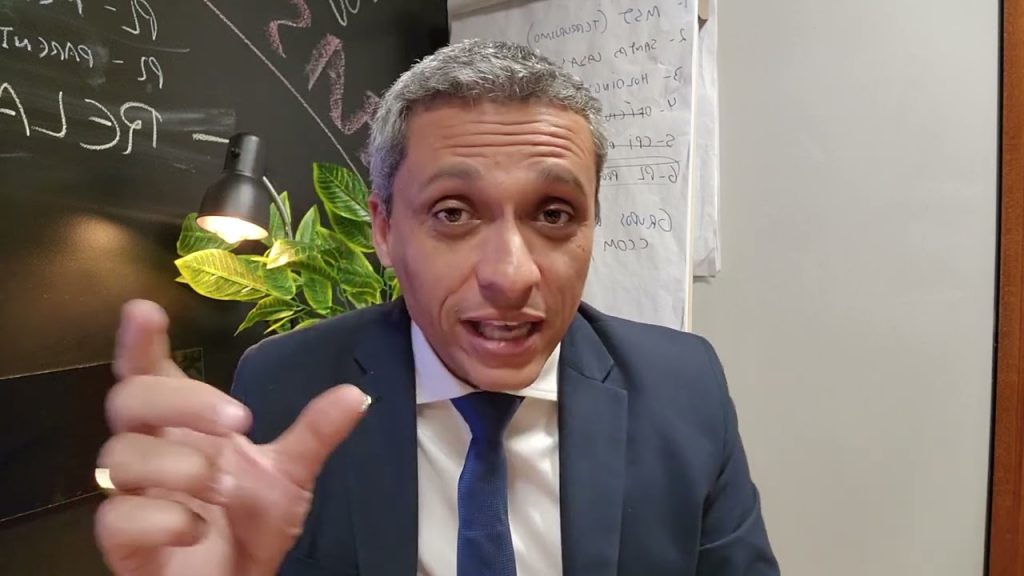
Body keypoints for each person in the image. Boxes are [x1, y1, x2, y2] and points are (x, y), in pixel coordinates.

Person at [94, 39, 779, 576]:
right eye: (453, 213)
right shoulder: (286, 386)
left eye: (554, 213)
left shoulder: (683, 388)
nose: (511, 275)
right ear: (384, 230)